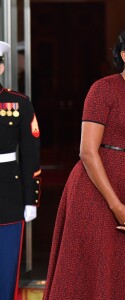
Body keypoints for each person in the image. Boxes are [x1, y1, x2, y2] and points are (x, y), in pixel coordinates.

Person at [43, 28, 125, 300]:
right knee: (92, 266)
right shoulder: (103, 89)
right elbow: (87, 151)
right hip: (95, 190)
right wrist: (116, 205)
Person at [0, 41, 41, 300]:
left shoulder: (18, 104)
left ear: (1, 67)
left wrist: (30, 199)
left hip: (8, 192)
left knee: (5, 267)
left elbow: (30, 153)